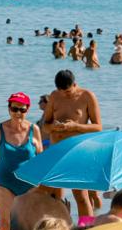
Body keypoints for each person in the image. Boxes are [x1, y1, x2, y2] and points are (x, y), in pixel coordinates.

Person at [41, 69, 102, 216]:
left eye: (67, 92)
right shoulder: (55, 96)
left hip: (78, 152)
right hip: (57, 151)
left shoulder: (87, 96)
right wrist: (53, 127)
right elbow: (45, 125)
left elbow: (98, 127)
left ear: (75, 84)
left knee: (81, 197)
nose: (64, 95)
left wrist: (76, 126)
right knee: (53, 196)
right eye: (61, 92)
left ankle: (85, 229)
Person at [0, 92, 42, 224]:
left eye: (22, 109)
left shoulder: (34, 130)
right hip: (5, 184)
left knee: (29, 224)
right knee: (6, 224)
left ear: (27, 109)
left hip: (30, 186)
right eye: (14, 109)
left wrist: (44, 190)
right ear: (9, 109)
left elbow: (42, 162)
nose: (18, 113)